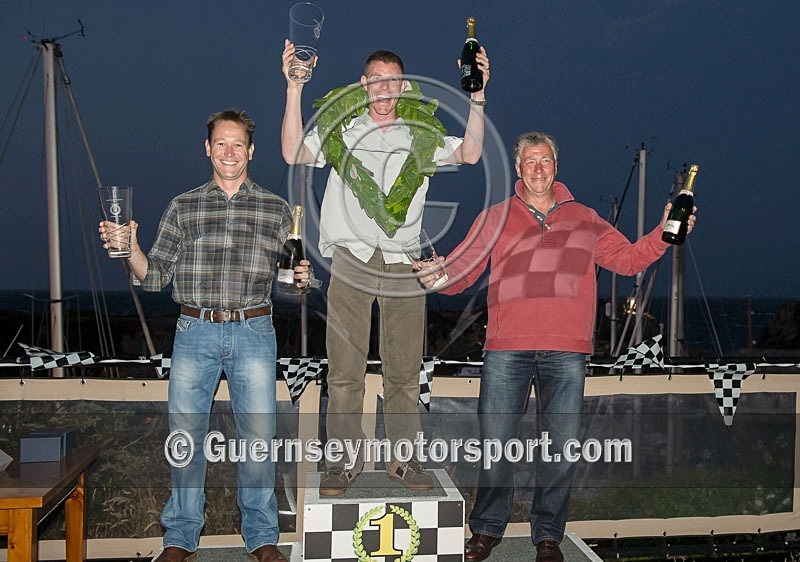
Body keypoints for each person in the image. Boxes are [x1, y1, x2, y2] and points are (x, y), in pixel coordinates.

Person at [417, 131, 697, 562]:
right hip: (506, 348)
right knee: (495, 444)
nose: (538, 168)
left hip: (567, 350)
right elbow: (461, 272)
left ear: (556, 166)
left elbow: (626, 258)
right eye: (529, 161)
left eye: (545, 160)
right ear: (517, 168)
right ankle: (487, 529)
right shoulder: (496, 216)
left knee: (561, 449)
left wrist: (664, 231)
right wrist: (436, 276)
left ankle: (548, 535)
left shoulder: (584, 217)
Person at [99, 109, 310, 562]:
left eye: (238, 144)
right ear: (207, 149)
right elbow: (153, 277)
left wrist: (300, 280)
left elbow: (291, 288)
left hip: (254, 330)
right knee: (185, 437)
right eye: (221, 143)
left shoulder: (276, 209)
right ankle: (180, 538)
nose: (229, 152)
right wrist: (130, 247)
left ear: (251, 151)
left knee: (258, 437)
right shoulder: (183, 206)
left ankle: (261, 537)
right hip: (194, 331)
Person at [280, 41, 490, 495]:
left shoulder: (420, 134)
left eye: (393, 80)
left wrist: (477, 96)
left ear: (403, 86)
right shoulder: (342, 126)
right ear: (364, 84)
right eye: (376, 79)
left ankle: (403, 461)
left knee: (404, 370)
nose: (384, 88)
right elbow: (294, 151)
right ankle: (341, 465)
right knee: (344, 371)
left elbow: (470, 154)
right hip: (351, 260)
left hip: (403, 264)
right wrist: (294, 88)